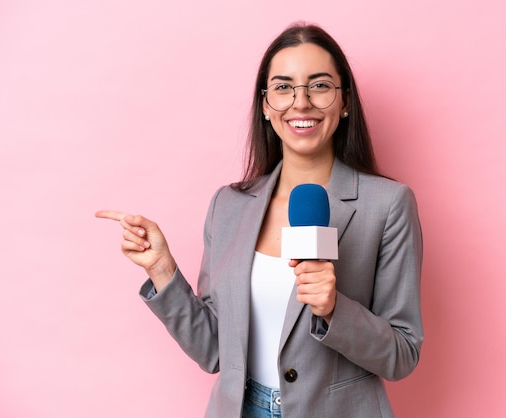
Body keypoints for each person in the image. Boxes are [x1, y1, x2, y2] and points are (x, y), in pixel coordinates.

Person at [96, 22, 423, 418]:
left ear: (345, 101)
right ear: (266, 105)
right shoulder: (229, 206)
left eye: (319, 86)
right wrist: (163, 270)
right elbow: (215, 351)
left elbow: (402, 355)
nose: (300, 103)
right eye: (283, 88)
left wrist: (335, 309)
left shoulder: (387, 205)